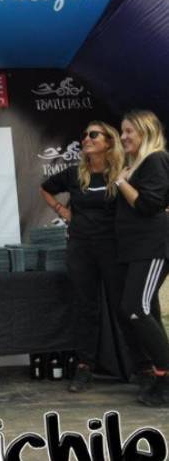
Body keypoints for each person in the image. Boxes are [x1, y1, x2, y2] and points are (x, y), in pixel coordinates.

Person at [40, 121, 133, 392]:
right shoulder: (73, 173)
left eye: (94, 135)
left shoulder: (121, 173)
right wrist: (61, 209)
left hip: (114, 248)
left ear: (109, 141)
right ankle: (84, 367)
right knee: (85, 307)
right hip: (81, 248)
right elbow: (45, 187)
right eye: (84, 135)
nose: (87, 139)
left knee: (124, 307)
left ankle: (140, 366)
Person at [114, 110, 169, 407]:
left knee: (136, 307)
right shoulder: (137, 164)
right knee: (143, 310)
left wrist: (122, 183)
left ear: (146, 132)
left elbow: (149, 205)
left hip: (151, 247)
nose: (123, 137)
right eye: (122, 132)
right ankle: (161, 375)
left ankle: (165, 375)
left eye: (129, 132)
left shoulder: (156, 159)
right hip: (135, 249)